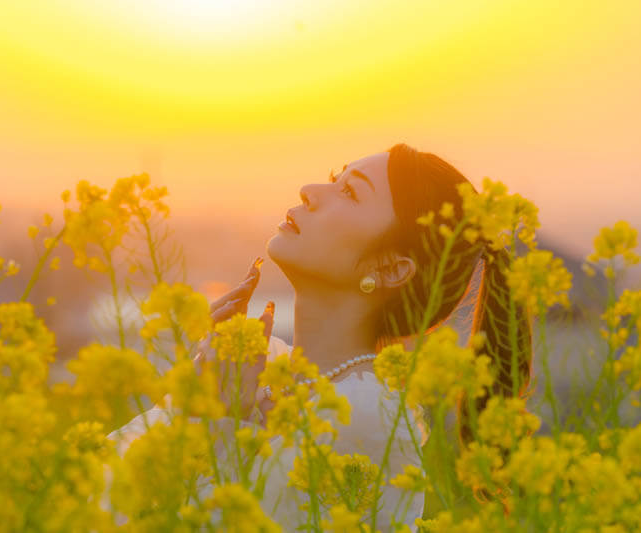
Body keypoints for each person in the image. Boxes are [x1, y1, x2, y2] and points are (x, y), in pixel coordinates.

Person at [107, 142, 532, 531]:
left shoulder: (365, 419)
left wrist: (216, 422)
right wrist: (197, 399)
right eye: (333, 179)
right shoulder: (262, 371)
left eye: (350, 193)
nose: (309, 190)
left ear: (389, 269)